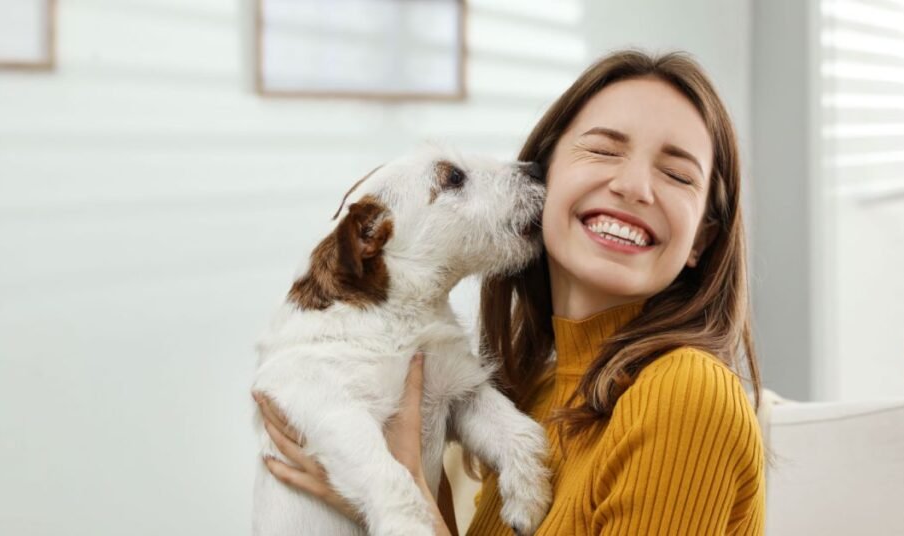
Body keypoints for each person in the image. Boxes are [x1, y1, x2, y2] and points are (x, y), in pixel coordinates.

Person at [253, 49, 765, 535]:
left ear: (701, 238)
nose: (634, 186)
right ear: (546, 175)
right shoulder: (537, 392)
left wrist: (401, 501)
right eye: (604, 149)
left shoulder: (687, 395)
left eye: (677, 174)